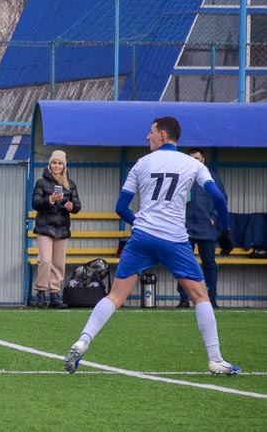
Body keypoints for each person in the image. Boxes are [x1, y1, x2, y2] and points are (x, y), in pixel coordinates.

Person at [64, 116, 240, 376]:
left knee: (115, 296)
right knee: (201, 296)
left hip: (142, 238)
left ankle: (82, 341)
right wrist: (225, 230)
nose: (147, 137)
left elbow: (120, 208)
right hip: (174, 240)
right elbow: (218, 198)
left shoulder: (142, 163)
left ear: (163, 135)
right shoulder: (192, 164)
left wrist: (141, 224)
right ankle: (215, 359)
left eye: (151, 132)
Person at [177, 148, 226, 310]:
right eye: (191, 158)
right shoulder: (182, 177)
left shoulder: (212, 178)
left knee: (209, 264)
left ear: (203, 160)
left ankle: (211, 298)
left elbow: (222, 200)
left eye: (197, 158)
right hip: (185, 228)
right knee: (184, 264)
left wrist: (214, 218)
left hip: (207, 229)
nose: (194, 161)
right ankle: (184, 299)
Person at [31, 150, 82, 309]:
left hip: (62, 228)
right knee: (45, 260)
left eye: (60, 163)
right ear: (50, 164)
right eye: (54, 163)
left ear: (64, 166)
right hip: (45, 228)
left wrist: (71, 207)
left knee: (59, 263)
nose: (57, 166)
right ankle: (40, 292)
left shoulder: (70, 184)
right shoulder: (41, 182)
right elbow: (35, 203)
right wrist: (50, 199)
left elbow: (77, 206)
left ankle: (54, 294)